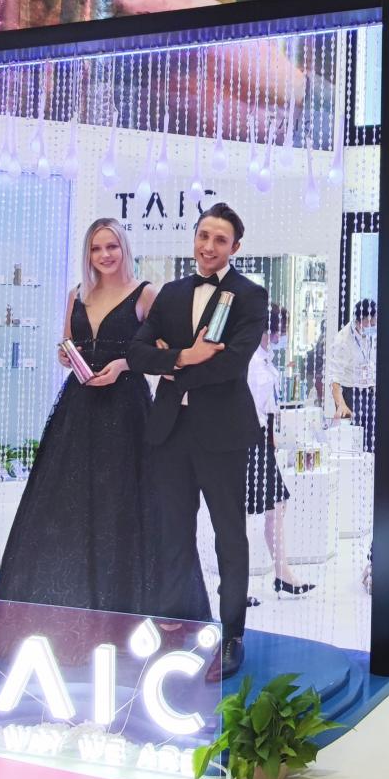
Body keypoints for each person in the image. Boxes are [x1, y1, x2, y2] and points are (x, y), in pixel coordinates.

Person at [0, 219, 162, 616]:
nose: (104, 255)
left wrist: (123, 364)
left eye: (111, 247)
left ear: (124, 248)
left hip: (126, 410)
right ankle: (69, 596)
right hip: (80, 406)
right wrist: (65, 355)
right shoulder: (77, 294)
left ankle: (124, 599)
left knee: (124, 501)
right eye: (96, 248)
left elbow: (160, 352)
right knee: (69, 500)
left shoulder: (145, 293)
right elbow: (67, 342)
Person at [128, 203, 268, 681]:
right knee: (172, 529)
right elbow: (137, 352)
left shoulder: (249, 295)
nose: (209, 246)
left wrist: (172, 364)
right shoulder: (170, 292)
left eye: (220, 239)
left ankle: (231, 637)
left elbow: (233, 362)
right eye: (203, 235)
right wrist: (186, 356)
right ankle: (171, 623)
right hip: (169, 430)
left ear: (235, 247)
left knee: (229, 535)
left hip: (223, 432)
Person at [246, 303, 315, 599]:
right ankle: (238, 583)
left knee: (277, 505)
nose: (282, 336)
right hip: (247, 440)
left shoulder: (265, 359)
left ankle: (282, 572)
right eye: (281, 330)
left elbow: (270, 408)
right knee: (245, 511)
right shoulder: (250, 362)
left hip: (262, 440)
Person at [329, 298, 377, 452]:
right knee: (355, 442)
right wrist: (341, 404)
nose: (372, 327)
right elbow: (335, 378)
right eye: (368, 323)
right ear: (357, 321)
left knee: (372, 439)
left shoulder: (373, 333)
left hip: (370, 392)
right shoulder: (343, 340)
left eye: (374, 323)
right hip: (351, 394)